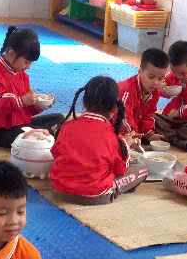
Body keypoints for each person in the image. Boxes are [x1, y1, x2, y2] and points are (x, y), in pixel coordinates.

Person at [49, 75, 147, 204]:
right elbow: (120, 170)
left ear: (84, 102)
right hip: (94, 195)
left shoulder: (67, 126)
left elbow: (55, 153)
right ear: (115, 107)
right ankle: (114, 189)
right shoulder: (114, 136)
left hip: (59, 190)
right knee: (141, 169)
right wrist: (125, 146)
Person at [0, 26, 65, 146]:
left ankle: (48, 137)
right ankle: (49, 137)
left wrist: (38, 104)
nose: (29, 67)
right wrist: (21, 101)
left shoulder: (22, 75)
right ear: (11, 54)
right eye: (26, 62)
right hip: (2, 131)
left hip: (22, 125)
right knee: (40, 133)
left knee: (59, 119)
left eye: (30, 63)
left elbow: (26, 111)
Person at [117, 47, 169, 143]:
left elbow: (148, 116)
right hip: (114, 126)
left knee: (159, 123)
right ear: (140, 72)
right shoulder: (126, 90)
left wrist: (150, 134)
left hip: (133, 126)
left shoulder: (156, 92)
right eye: (151, 77)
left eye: (160, 78)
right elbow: (124, 120)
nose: (156, 82)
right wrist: (135, 137)